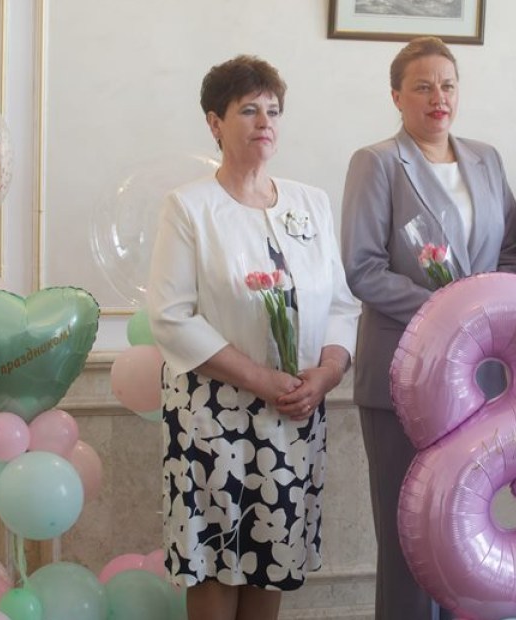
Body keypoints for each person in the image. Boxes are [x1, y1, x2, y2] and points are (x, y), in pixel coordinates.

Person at [147, 54, 360, 620]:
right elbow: (171, 316)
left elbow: (341, 304)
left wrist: (327, 373)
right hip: (213, 414)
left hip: (294, 410)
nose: (265, 121)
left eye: (273, 110)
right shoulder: (189, 207)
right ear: (215, 122)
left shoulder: (311, 203)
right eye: (248, 110)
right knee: (217, 560)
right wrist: (263, 379)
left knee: (274, 553)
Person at [340, 36, 516, 620]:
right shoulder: (376, 162)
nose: (437, 97)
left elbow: (513, 251)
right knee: (408, 533)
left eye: (447, 84)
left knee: (463, 526)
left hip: (478, 379)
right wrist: (448, 312)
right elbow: (362, 268)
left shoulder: (487, 159)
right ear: (397, 97)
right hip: (403, 373)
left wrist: (484, 311)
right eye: (422, 86)